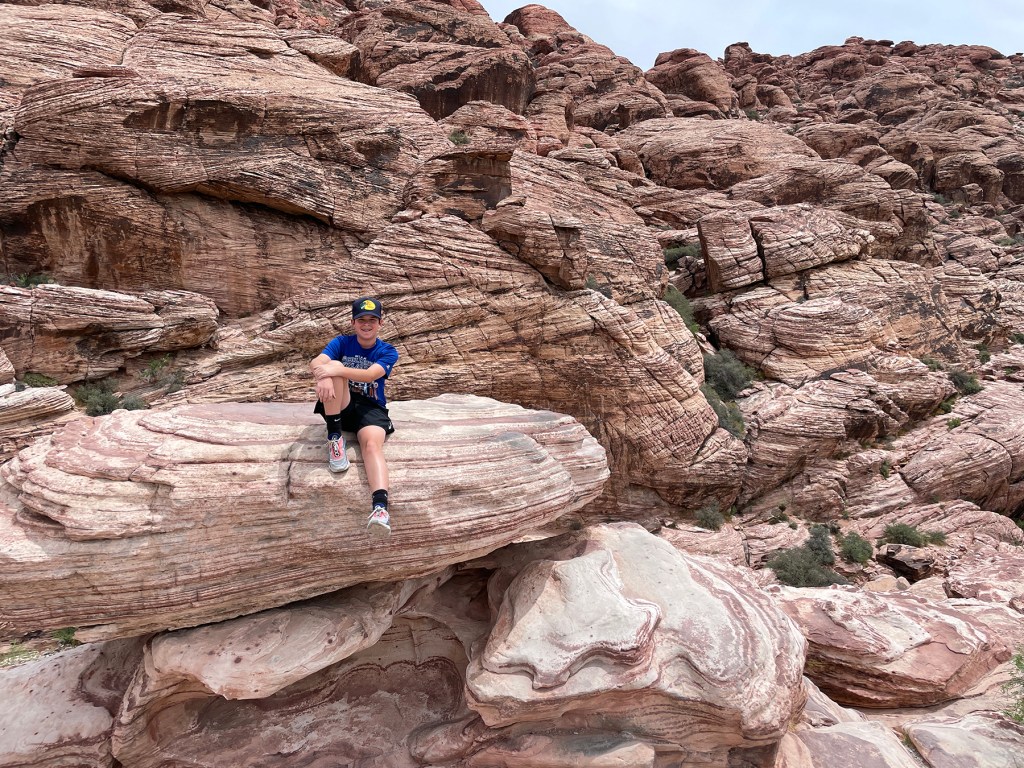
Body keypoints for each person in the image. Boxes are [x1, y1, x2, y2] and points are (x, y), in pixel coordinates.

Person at [310, 297, 398, 536]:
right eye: (361, 320)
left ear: (380, 323)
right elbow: (317, 362)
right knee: (333, 368)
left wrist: (334, 369)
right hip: (342, 404)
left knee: (371, 445)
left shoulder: (387, 351)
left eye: (372, 320)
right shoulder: (342, 342)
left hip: (372, 408)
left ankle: (380, 509)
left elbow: (370, 375)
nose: (366, 325)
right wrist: (324, 375)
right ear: (353, 322)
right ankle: (334, 437)